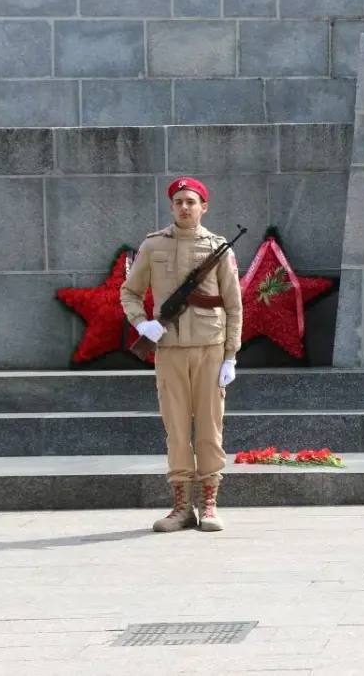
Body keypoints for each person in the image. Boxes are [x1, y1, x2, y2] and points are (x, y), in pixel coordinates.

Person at [121, 177, 243, 533]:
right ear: (172, 207)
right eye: (179, 202)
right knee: (176, 429)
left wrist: (231, 355)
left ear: (204, 207)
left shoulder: (219, 248)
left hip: (209, 349)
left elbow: (234, 305)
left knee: (209, 429)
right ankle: (181, 508)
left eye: (192, 201)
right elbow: (129, 292)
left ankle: (209, 505)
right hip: (170, 350)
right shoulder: (153, 245)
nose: (185, 207)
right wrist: (142, 324)